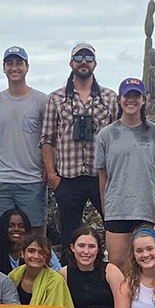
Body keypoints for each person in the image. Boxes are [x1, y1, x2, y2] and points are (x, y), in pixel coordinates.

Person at [40, 43, 119, 249]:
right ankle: (70, 276)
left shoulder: (110, 98)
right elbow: (47, 138)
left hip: (101, 176)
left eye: (88, 58)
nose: (83, 62)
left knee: (114, 227)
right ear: (71, 63)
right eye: (78, 58)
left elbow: (119, 138)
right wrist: (52, 176)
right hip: (68, 177)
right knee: (70, 235)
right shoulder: (56, 98)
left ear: (95, 63)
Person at [95, 78, 155, 264]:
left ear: (143, 100)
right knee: (117, 268)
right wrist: (106, 209)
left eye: (136, 96)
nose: (131, 100)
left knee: (149, 268)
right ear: (120, 99)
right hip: (117, 210)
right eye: (127, 95)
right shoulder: (106, 134)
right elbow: (103, 176)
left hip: (148, 210)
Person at [0, 46, 49, 232]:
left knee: (36, 234)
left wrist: (45, 173)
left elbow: (49, 141)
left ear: (27, 67)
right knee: (1, 236)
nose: (14, 68)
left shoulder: (42, 101)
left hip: (32, 181)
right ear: (3, 68)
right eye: (9, 63)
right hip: (0, 180)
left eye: (19, 63)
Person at [0, 208, 61, 273]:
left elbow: (58, 272)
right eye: (11, 226)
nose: (16, 229)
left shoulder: (41, 245)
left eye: (21, 226)